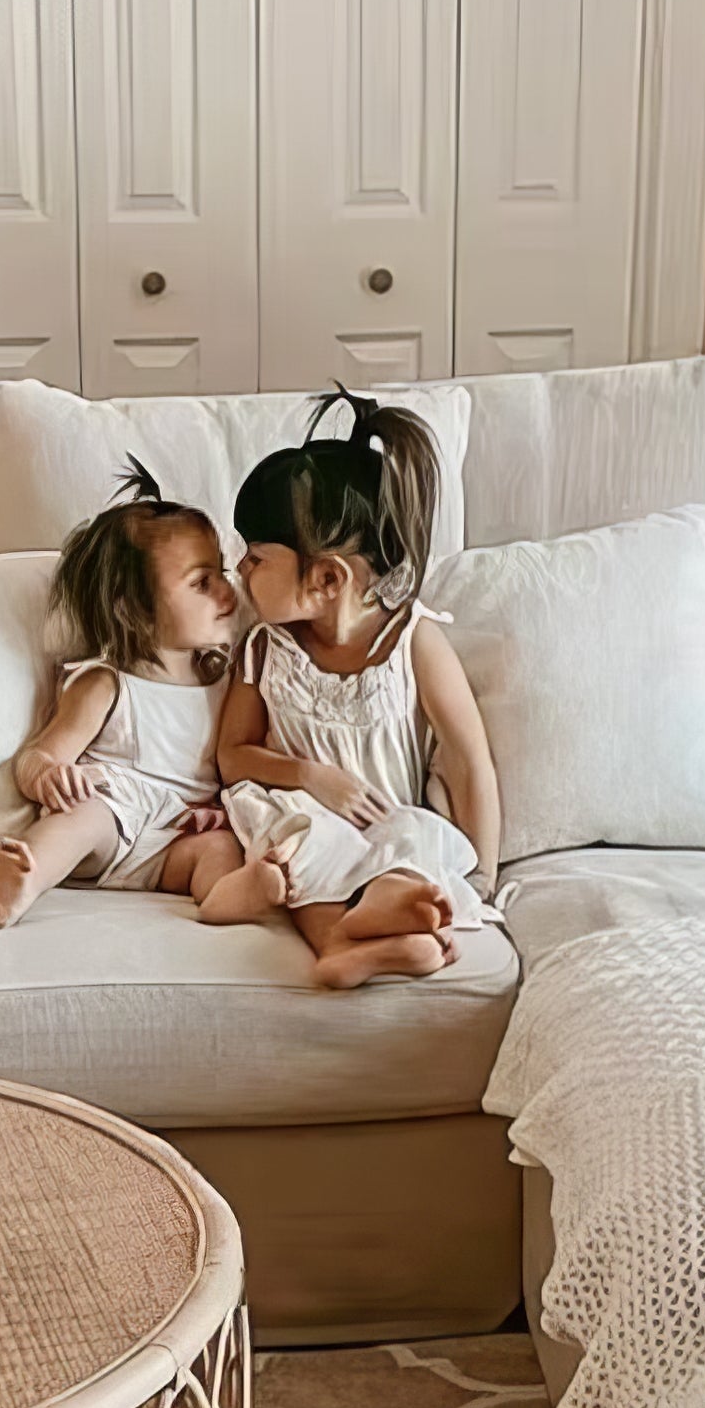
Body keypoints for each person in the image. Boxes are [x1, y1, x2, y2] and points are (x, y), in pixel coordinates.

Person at [199, 389, 502, 987]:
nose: (241, 571)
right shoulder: (266, 650)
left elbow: (470, 761)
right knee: (302, 847)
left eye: (256, 557)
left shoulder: (411, 642)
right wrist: (311, 777)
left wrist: (484, 874)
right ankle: (345, 945)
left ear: (327, 578)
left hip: (389, 821)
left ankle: (387, 911)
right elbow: (233, 757)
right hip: (308, 816)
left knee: (408, 844)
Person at [0, 461, 245, 927]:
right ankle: (21, 880)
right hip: (112, 820)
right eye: (203, 582)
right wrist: (47, 776)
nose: (228, 590)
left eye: (221, 572)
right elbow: (37, 755)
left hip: (177, 839)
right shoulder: (105, 684)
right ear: (134, 610)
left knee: (222, 849)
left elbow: (237, 765)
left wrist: (221, 811)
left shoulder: (228, 682)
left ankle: (232, 901)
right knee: (81, 819)